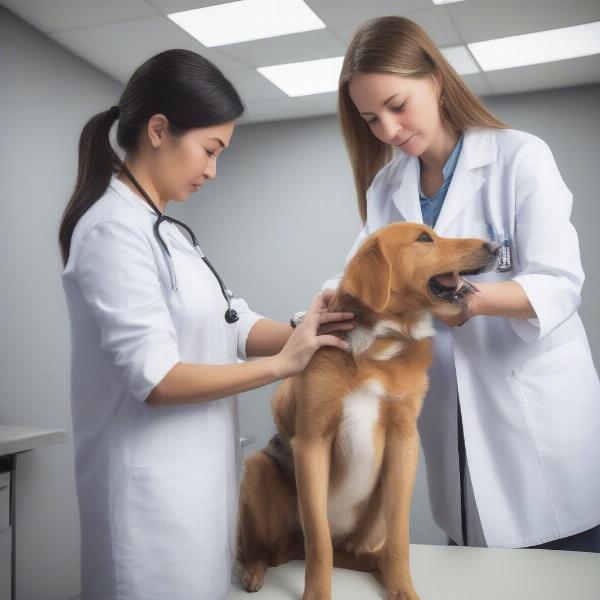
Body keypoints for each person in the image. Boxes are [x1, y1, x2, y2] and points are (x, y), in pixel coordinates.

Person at [59, 49, 354, 600]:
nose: (212, 171)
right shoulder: (109, 231)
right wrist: (280, 366)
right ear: (158, 130)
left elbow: (231, 321)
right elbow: (158, 379)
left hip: (197, 496)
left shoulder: (170, 233)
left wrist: (312, 326)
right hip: (146, 510)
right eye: (209, 150)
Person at [322, 16, 600, 551]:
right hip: (448, 412)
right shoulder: (387, 185)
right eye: (370, 118)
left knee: (564, 565)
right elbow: (367, 265)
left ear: (437, 80)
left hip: (535, 411)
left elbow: (559, 282)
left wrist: (469, 302)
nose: (387, 130)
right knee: (472, 557)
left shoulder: (519, 156)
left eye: (397, 106)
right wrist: (333, 292)